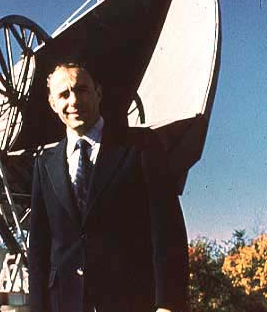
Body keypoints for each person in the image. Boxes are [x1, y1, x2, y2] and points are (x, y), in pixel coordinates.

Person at [29, 63, 188, 312]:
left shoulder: (141, 147)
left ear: (98, 93)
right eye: (64, 94)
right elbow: (39, 249)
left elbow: (167, 230)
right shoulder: (44, 165)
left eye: (81, 89)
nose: (74, 100)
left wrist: (169, 303)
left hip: (132, 301)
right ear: (52, 103)